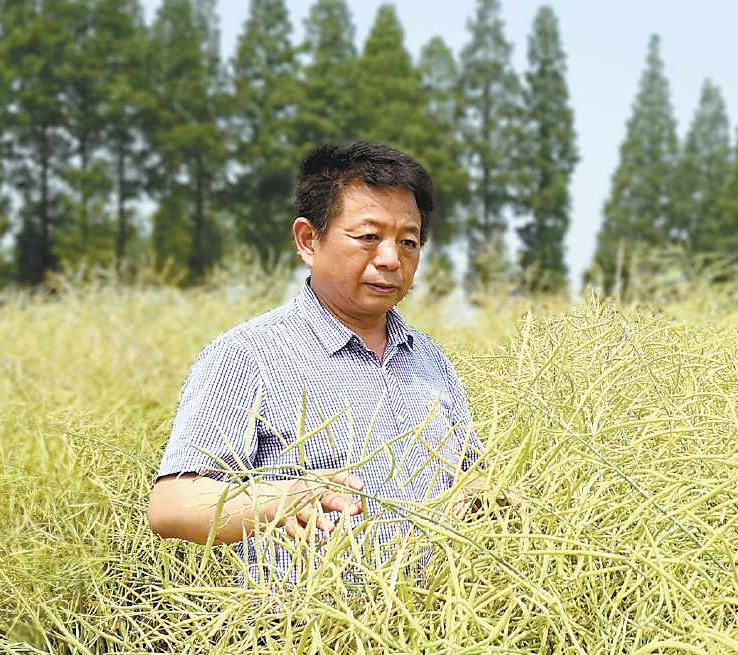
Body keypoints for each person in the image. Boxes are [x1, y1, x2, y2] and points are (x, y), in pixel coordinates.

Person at [147, 141, 488, 583]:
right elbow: (170, 505)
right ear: (308, 240)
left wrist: (484, 495)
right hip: (300, 631)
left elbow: (471, 473)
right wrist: (276, 500)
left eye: (409, 242)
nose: (390, 259)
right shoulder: (249, 355)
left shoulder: (430, 358)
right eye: (369, 237)